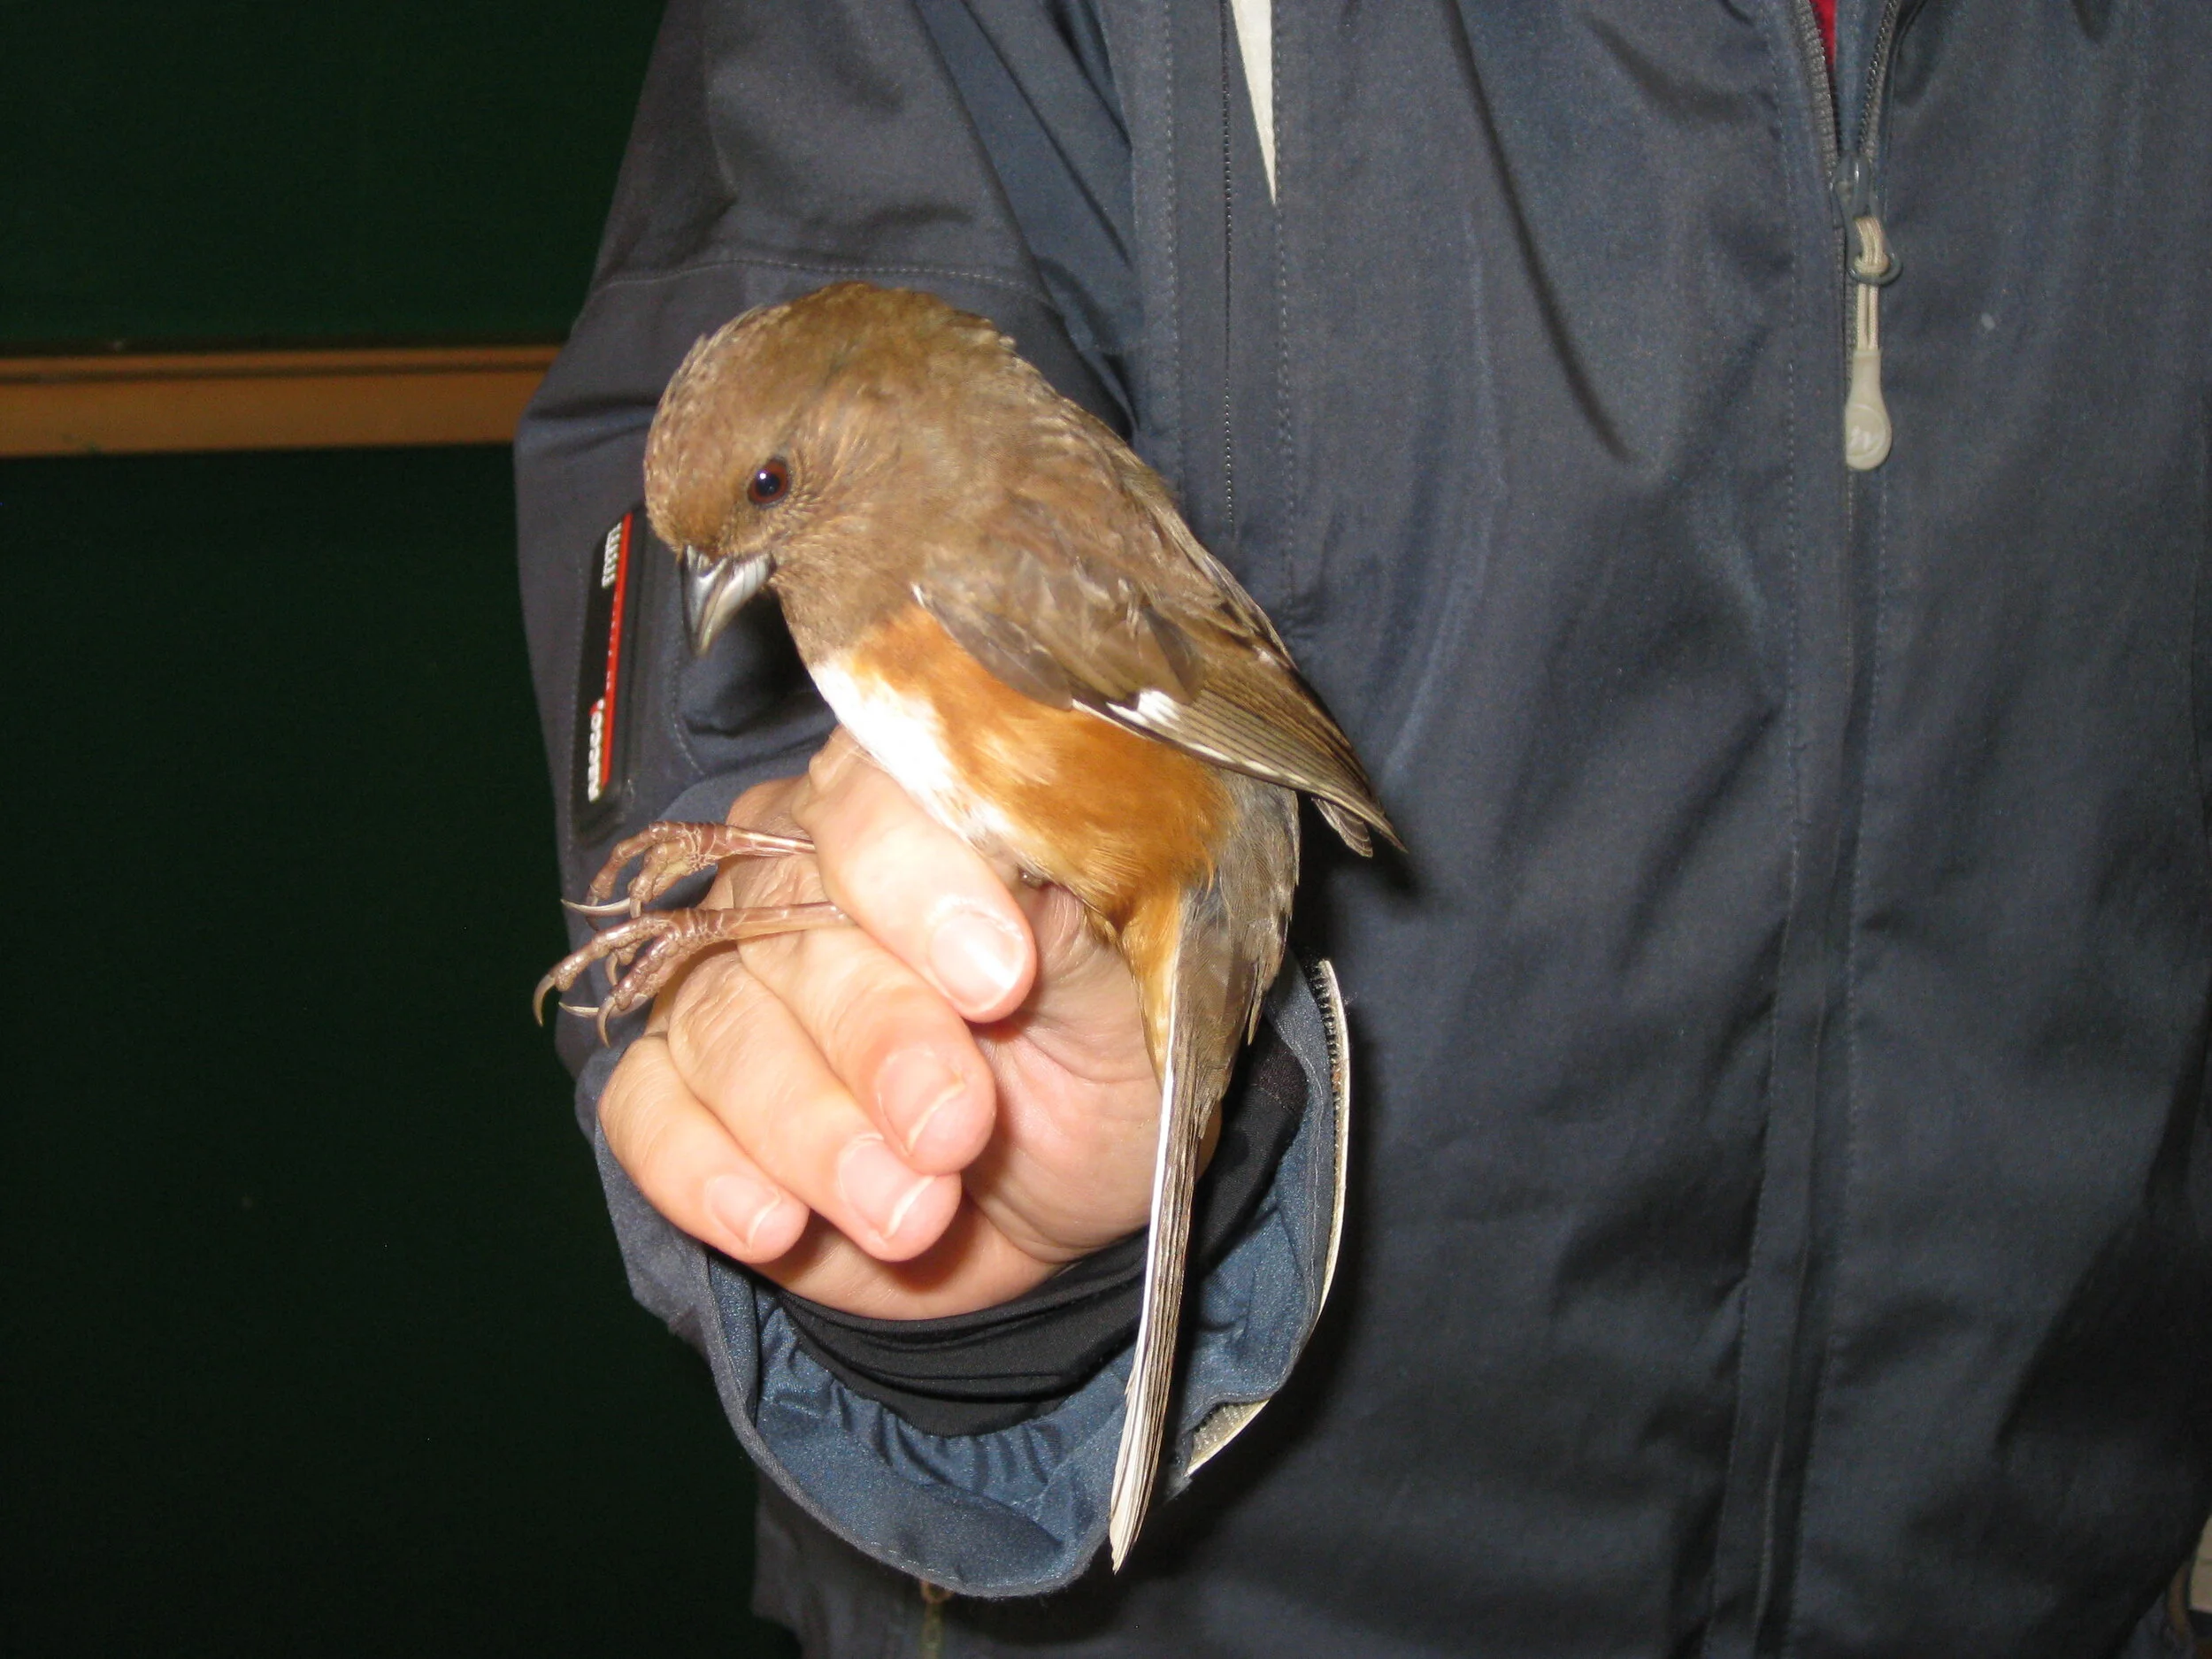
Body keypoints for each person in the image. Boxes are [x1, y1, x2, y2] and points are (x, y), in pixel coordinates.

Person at [516, 2, 2212, 1653]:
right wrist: (922, 1183)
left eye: (755, 514)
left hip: (2050, 1539)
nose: (736, 562)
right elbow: (715, 741)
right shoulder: (875, 455)